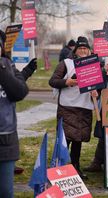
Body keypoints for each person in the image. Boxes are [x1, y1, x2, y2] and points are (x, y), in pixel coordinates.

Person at [49, 36, 98, 179]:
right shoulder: (66, 63)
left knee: (78, 140)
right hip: (67, 107)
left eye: (85, 48)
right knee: (65, 140)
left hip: (84, 108)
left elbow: (97, 87)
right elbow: (52, 81)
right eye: (80, 48)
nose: (83, 50)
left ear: (89, 51)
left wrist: (96, 91)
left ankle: (75, 167)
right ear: (75, 51)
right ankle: (59, 167)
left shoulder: (93, 65)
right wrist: (67, 81)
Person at [0, 29, 29, 198]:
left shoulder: (9, 66)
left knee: (5, 191)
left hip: (6, 141)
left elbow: (20, 92)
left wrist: (3, 70)